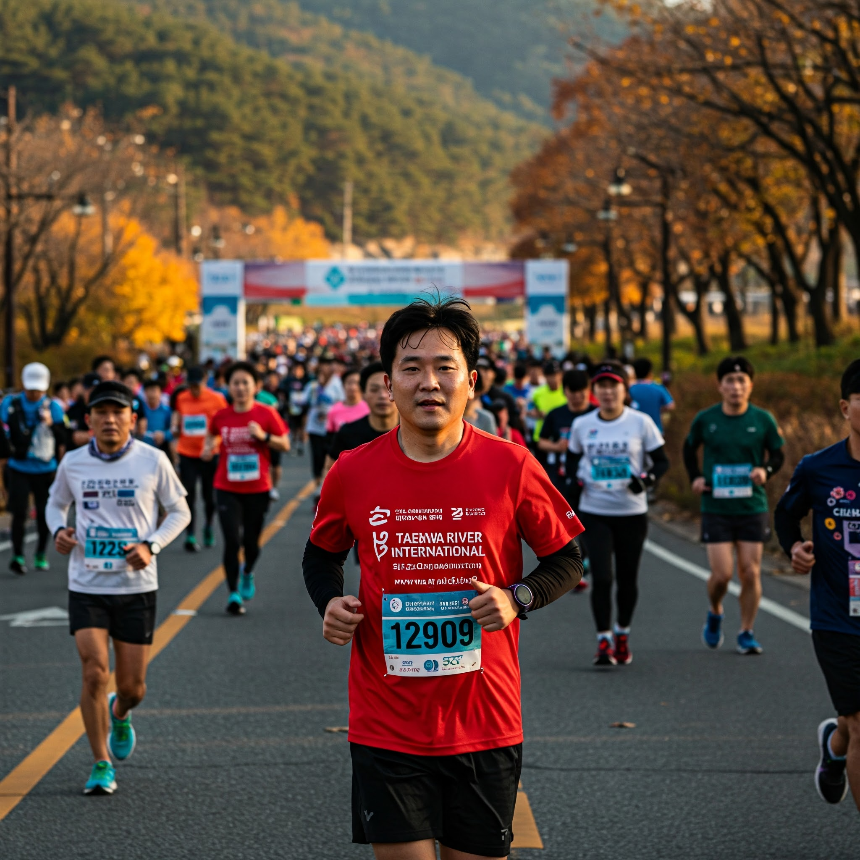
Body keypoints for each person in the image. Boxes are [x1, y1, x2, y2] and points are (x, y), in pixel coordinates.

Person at [303, 296, 584, 859]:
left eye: (444, 367)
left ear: (471, 380)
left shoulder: (511, 465)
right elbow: (321, 555)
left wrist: (517, 597)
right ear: (387, 384)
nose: (428, 382)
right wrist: (330, 603)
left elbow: (568, 557)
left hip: (486, 718)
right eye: (411, 368)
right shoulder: (353, 470)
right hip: (386, 720)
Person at [46, 381, 190, 795]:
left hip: (136, 585)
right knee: (94, 671)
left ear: (132, 419)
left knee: (132, 686)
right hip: (86, 583)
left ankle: (121, 712)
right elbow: (55, 503)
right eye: (101, 413)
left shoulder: (153, 460)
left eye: (118, 412)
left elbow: (180, 510)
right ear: (88, 420)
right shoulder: (73, 463)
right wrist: (59, 530)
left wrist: (152, 545)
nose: (109, 419)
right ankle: (100, 762)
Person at [774, 360, 860, 810]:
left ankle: (834, 747)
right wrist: (795, 547)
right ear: (847, 408)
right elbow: (786, 513)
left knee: (854, 721)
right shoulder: (818, 468)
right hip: (837, 615)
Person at [568, 361, 669, 666]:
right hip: (595, 511)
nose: (608, 392)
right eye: (602, 386)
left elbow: (661, 462)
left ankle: (622, 631)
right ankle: (603, 640)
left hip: (631, 513)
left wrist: (647, 480)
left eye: (614, 386)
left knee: (627, 579)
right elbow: (572, 465)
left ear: (625, 390)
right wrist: (576, 486)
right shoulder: (582, 425)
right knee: (602, 577)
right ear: (594, 391)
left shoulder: (640, 423)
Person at [683, 356, 785, 654]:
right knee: (722, 575)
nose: (736, 387)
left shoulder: (763, 419)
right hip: (716, 506)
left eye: (742, 381)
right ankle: (715, 611)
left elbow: (777, 455)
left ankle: (746, 631)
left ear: (750, 385)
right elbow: (689, 449)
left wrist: (765, 470)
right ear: (720, 385)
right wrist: (696, 477)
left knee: (751, 571)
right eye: (730, 381)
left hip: (752, 505)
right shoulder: (706, 419)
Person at [203, 362, 290, 615]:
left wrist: (263, 436)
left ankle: (248, 571)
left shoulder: (266, 413)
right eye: (235, 383)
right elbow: (211, 436)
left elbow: (284, 444)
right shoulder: (221, 416)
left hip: (257, 488)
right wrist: (208, 449)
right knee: (231, 540)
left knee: (251, 543)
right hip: (226, 487)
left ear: (256, 387)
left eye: (245, 383)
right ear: (228, 387)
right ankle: (233, 593)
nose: (240, 388)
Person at [0, 363, 67, 575]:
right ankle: (17, 555)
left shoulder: (53, 407)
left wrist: (51, 424)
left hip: (45, 468)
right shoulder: (11, 403)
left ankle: (40, 553)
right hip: (18, 466)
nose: (34, 392)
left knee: (44, 512)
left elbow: (64, 437)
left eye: (38, 389)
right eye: (30, 388)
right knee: (18, 512)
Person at [172, 367, 228, 552]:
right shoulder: (182, 397)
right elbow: (179, 417)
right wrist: (174, 426)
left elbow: (224, 424)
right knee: (188, 495)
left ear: (205, 382)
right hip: (187, 453)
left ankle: (209, 526)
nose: (195, 390)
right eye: (192, 386)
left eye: (198, 385)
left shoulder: (217, 399)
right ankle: (190, 534)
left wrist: (212, 445)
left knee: (209, 497)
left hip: (209, 454)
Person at [323, 362, 398, 476]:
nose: (382, 396)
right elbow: (330, 471)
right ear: (363, 394)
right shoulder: (347, 433)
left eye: (388, 388)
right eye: (374, 390)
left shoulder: (417, 432)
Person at [303, 353, 345, 486]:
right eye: (322, 365)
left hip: (331, 428)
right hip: (315, 427)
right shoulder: (313, 385)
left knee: (331, 459)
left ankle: (329, 487)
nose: (325, 368)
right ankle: (318, 491)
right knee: (317, 458)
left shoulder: (338, 384)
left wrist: (330, 413)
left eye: (328, 364)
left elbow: (343, 402)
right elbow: (305, 401)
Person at [629, 357, 674, 434]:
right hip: (655, 429)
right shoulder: (659, 388)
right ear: (650, 372)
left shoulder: (629, 389)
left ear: (634, 373)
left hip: (633, 430)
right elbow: (670, 406)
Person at [529, 360, 567, 447]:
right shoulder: (537, 393)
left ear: (561, 375)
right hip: (541, 437)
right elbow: (529, 408)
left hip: (561, 438)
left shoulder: (567, 392)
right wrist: (536, 413)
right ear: (545, 376)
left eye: (555, 375)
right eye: (550, 376)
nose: (553, 379)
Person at [326, 367, 370, 434]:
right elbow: (330, 436)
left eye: (357, 383)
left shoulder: (369, 409)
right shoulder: (334, 410)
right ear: (343, 385)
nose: (353, 387)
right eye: (349, 383)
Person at [139, 379, 172, 455]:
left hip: (161, 451)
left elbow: (173, 431)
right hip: (142, 450)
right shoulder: (140, 411)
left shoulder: (167, 411)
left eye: (154, 391)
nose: (152, 394)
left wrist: (164, 435)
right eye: (148, 391)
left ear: (160, 393)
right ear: (144, 393)